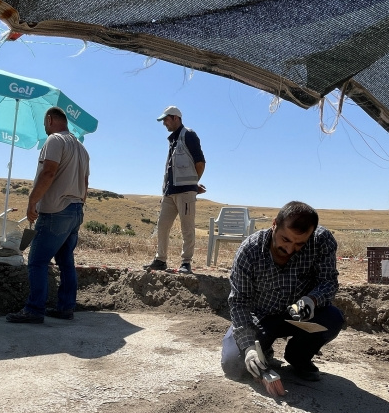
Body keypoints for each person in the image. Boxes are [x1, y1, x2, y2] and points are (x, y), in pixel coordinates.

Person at [221, 201, 345, 383]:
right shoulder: (250, 250)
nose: (289, 249)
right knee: (233, 364)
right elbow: (239, 302)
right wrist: (249, 348)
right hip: (261, 318)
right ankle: (263, 349)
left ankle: (298, 356)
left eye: (299, 244)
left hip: (301, 317)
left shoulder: (321, 241)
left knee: (332, 318)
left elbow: (328, 282)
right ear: (274, 224)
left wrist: (312, 300)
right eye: (285, 240)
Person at [6, 107, 90, 324]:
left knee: (37, 261)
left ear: (50, 120)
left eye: (45, 123)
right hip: (75, 210)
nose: (44, 127)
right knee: (65, 261)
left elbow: (49, 172)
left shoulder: (54, 140)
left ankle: (34, 309)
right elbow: (85, 183)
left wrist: (32, 201)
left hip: (55, 211)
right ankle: (65, 307)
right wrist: (79, 205)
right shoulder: (81, 148)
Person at [144, 106, 206, 275]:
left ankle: (186, 262)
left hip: (185, 192)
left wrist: (192, 184)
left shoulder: (189, 135)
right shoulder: (173, 140)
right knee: (162, 226)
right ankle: (160, 260)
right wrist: (165, 190)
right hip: (169, 192)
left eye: (166, 119)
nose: (164, 123)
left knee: (187, 228)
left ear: (176, 118)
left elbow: (200, 163)